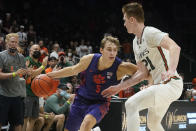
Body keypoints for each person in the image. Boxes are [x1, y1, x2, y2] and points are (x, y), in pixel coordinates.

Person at [102, 2, 183, 131]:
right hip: (160, 87)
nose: (124, 24)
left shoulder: (150, 32)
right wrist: (119, 87)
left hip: (170, 84)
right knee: (152, 123)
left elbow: (175, 47)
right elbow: (142, 74)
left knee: (131, 104)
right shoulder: (135, 43)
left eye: (125, 20)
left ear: (132, 19)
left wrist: (171, 70)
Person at [47, 35, 137, 131]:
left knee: (87, 123)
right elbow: (73, 70)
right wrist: (51, 75)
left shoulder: (121, 67)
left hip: (100, 102)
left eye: (115, 50)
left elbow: (142, 73)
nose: (112, 53)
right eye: (109, 49)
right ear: (101, 50)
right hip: (80, 99)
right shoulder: (89, 59)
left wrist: (121, 86)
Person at [0, 33, 27, 131]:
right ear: (7, 43)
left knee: (18, 124)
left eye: (16, 42)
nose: (14, 44)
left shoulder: (21, 57)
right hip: (3, 95)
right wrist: (15, 74)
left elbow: (24, 74)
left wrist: (29, 73)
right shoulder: (2, 56)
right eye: (12, 42)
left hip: (17, 96)